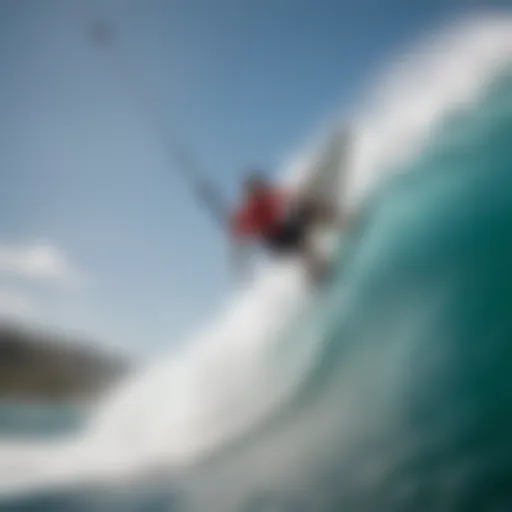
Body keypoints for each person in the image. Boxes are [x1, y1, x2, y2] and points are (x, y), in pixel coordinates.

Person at [230, 171, 346, 284]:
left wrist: (305, 196)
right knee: (302, 245)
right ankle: (319, 273)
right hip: (276, 241)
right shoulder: (249, 212)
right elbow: (238, 235)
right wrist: (241, 263)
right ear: (252, 193)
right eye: (257, 190)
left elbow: (290, 196)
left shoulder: (269, 196)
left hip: (283, 229)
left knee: (309, 210)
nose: (261, 190)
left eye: (261, 187)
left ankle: (338, 222)